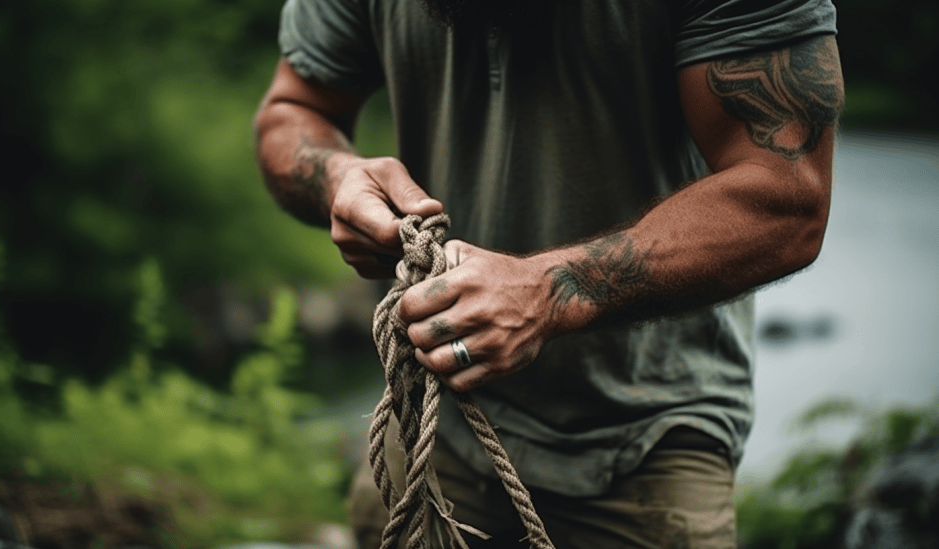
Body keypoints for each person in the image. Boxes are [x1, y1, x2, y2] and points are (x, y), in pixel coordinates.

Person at [254, 0, 844, 547]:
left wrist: (554, 291)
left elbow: (787, 195)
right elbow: (293, 111)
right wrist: (338, 178)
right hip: (432, 434)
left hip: (645, 442)